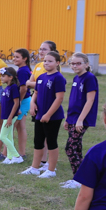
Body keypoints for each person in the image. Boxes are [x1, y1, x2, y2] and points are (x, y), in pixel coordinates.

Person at [22, 50, 67, 179]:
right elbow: (35, 93)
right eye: (45, 61)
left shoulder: (58, 78)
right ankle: (34, 168)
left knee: (51, 141)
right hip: (39, 115)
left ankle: (51, 170)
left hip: (52, 116)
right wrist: (32, 104)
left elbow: (59, 98)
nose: (46, 63)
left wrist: (48, 114)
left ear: (57, 63)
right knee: (38, 141)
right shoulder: (41, 77)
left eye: (50, 61)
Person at [60, 53, 99, 190]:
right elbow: (74, 100)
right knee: (76, 148)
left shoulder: (89, 78)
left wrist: (80, 120)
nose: (75, 66)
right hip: (73, 118)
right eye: (72, 63)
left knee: (70, 148)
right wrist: (68, 118)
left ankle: (79, 180)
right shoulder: (77, 78)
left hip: (81, 120)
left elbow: (90, 100)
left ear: (86, 64)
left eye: (78, 63)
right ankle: (83, 178)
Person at [0, 67, 24, 164]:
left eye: (3, 76)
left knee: (2, 136)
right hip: (6, 115)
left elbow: (16, 103)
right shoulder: (7, 87)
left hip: (10, 116)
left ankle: (17, 156)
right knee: (8, 137)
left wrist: (10, 118)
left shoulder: (13, 88)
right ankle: (9, 158)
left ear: (10, 77)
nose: (1, 78)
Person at [11, 48, 33, 160]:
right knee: (21, 127)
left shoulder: (22, 71)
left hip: (23, 100)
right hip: (25, 100)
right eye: (14, 56)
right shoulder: (22, 69)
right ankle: (21, 152)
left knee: (11, 127)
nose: (14, 59)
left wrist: (17, 103)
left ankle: (9, 153)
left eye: (17, 57)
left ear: (25, 59)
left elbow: (23, 88)